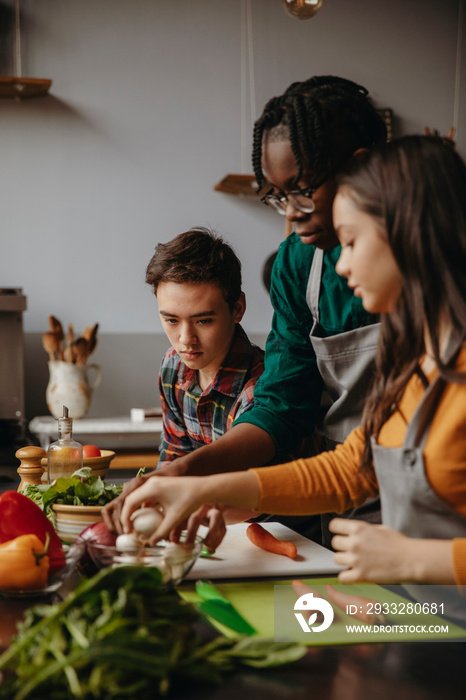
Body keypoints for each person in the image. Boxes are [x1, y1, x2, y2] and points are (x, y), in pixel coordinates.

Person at [116, 135, 466, 588]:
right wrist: (200, 487)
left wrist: (416, 561)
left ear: (410, 234)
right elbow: (347, 471)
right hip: (423, 623)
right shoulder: (415, 366)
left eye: (353, 241)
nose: (340, 266)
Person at [104, 75, 387, 544]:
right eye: (278, 197)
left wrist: (201, 485)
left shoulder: (427, 281)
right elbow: (284, 406)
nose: (291, 217)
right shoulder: (298, 262)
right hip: (346, 482)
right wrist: (185, 475)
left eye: (301, 190)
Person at [145, 227, 264, 468]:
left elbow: (243, 490)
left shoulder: (262, 388)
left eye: (203, 321)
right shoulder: (172, 367)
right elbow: (172, 459)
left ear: (237, 308)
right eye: (171, 320)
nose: (186, 339)